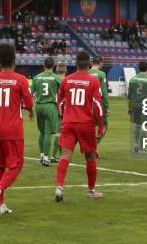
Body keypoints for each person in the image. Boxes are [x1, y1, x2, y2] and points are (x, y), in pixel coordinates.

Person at [0, 43, 34, 216]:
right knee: (16, 165)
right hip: (12, 128)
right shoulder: (20, 80)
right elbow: (28, 104)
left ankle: (1, 205)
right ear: (14, 60)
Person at [54, 50, 104, 202]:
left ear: (75, 64)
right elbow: (97, 105)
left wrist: (64, 117)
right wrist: (100, 125)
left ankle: (59, 187)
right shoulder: (94, 81)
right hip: (85, 124)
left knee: (65, 156)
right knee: (90, 157)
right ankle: (91, 191)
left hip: (69, 123)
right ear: (89, 65)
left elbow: (60, 102)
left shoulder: (66, 80)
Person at [30, 57, 62, 166]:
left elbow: (30, 93)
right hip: (50, 106)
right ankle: (46, 158)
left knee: (42, 132)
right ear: (53, 66)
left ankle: (42, 155)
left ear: (44, 65)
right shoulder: (57, 78)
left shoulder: (36, 78)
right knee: (48, 132)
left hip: (38, 106)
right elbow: (64, 92)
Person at [127, 61, 147, 153]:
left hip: (135, 105)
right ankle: (141, 147)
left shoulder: (132, 79)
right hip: (146, 105)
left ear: (138, 68)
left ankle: (136, 144)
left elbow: (129, 96)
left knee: (137, 125)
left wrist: (129, 108)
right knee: (145, 126)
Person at [89, 56, 109, 136]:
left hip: (86, 102)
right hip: (97, 103)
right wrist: (107, 106)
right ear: (100, 63)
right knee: (104, 125)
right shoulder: (102, 74)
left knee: (90, 125)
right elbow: (104, 92)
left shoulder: (86, 72)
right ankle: (95, 143)